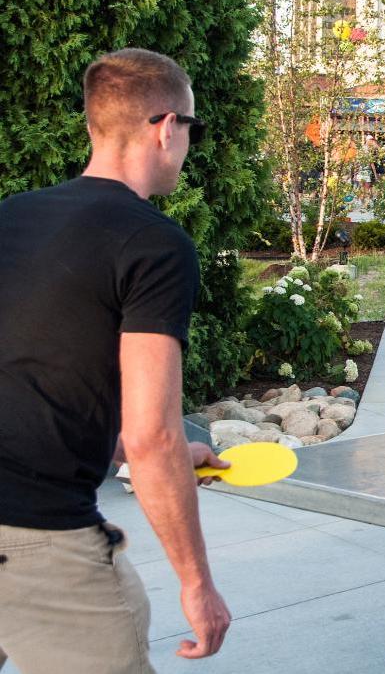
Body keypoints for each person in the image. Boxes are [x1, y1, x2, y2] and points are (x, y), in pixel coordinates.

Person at [0, 48, 232, 671]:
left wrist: (140, 453)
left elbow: (34, 383)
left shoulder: (11, 217)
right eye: (192, 128)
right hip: (36, 538)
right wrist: (197, 584)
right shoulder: (154, 244)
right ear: (165, 127)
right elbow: (152, 432)